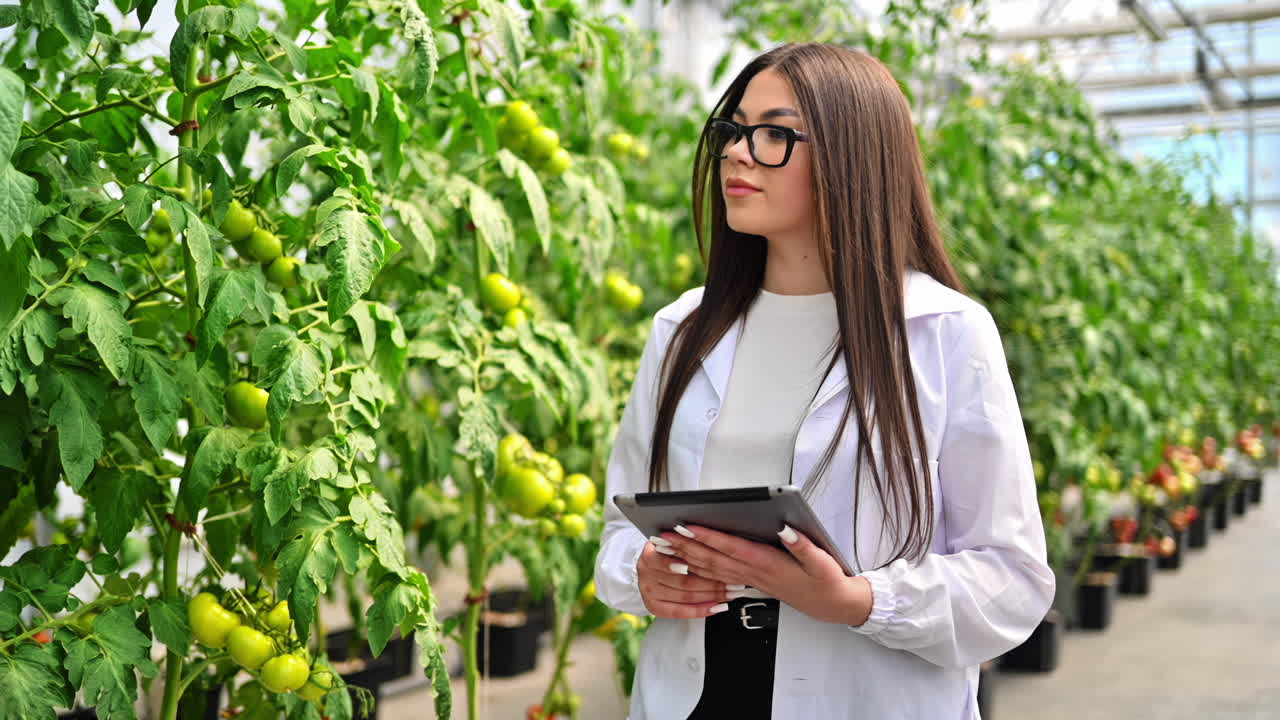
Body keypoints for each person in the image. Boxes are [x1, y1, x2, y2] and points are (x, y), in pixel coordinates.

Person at [593, 42, 1054, 719]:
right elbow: (619, 529)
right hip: (693, 697)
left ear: (853, 156)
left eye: (775, 133)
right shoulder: (682, 330)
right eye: (734, 130)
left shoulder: (946, 333)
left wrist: (858, 601)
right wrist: (643, 573)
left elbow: (1011, 580)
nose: (738, 153)